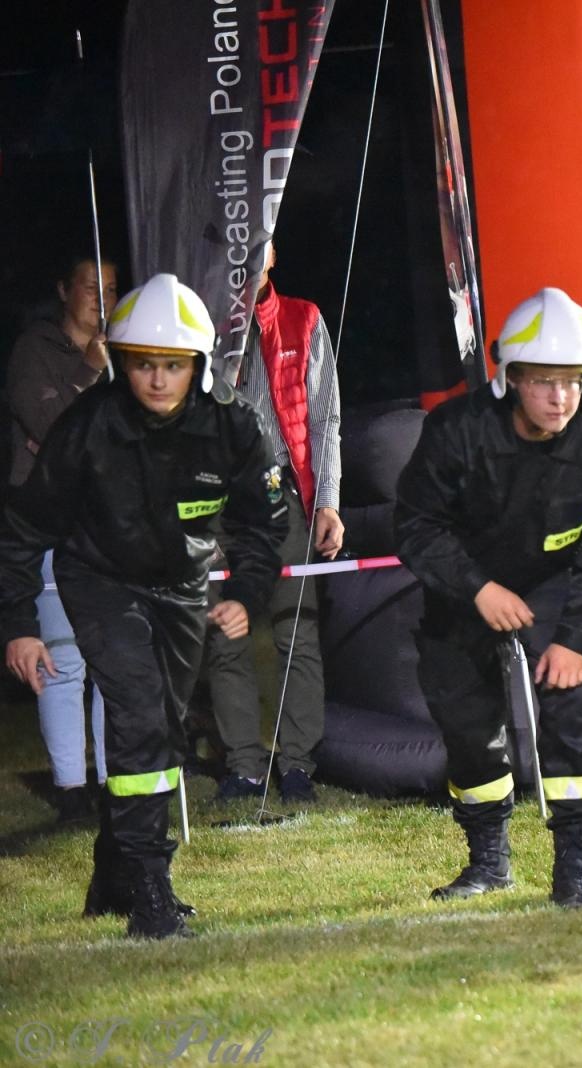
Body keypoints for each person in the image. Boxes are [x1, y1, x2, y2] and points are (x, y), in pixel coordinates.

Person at [0, 273, 288, 938]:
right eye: (143, 364)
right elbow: (22, 530)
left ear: (200, 366)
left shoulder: (234, 425)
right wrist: (18, 625)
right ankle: (151, 894)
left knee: (163, 728)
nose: (157, 380)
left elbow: (264, 523)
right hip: (99, 581)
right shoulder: (86, 427)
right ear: (122, 363)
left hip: (182, 588)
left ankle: (113, 873)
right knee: (137, 713)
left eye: (173, 365)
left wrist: (246, 593)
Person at [395, 287, 582, 909]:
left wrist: (575, 639)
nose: (560, 398)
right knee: (465, 720)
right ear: (510, 378)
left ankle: (574, 871)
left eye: (573, 381)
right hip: (466, 584)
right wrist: (477, 588)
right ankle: (489, 862)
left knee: (570, 714)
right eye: (543, 382)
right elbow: (416, 527)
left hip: (557, 585)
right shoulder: (455, 431)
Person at [206, 240, 343, 805]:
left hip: (282, 496)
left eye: (257, 250)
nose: (247, 262)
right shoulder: (203, 325)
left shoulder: (303, 318)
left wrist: (328, 501)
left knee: (296, 632)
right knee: (225, 633)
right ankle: (242, 766)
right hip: (217, 504)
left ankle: (297, 766)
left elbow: (325, 416)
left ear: (273, 256)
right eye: (238, 251)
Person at [4, 254, 116, 821]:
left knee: (111, 661)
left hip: (107, 527)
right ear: (63, 290)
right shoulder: (35, 351)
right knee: (64, 660)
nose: (102, 299)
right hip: (52, 526)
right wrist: (88, 373)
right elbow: (50, 428)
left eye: (112, 289)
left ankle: (114, 783)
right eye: (92, 287)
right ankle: (71, 787)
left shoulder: (123, 354)